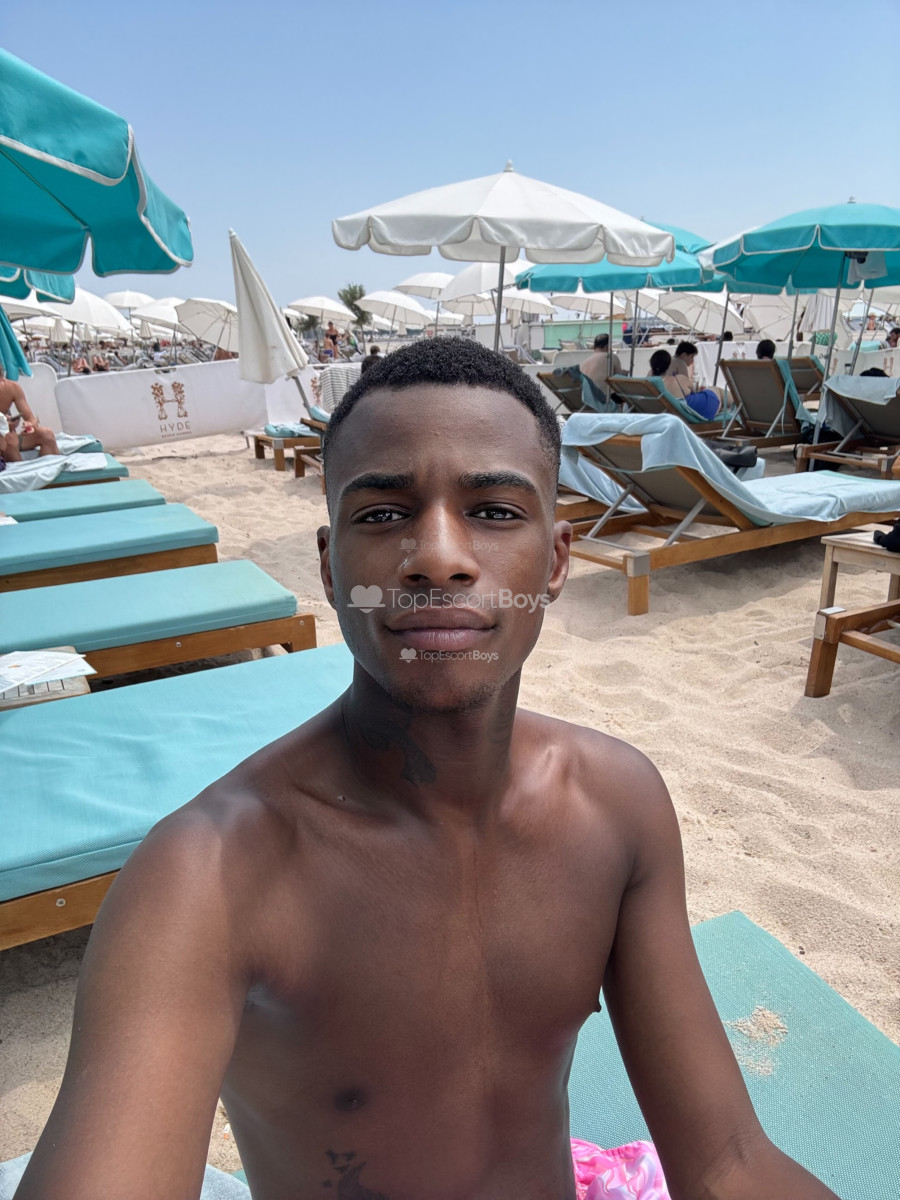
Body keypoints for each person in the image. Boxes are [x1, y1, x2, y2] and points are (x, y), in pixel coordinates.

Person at [13, 339, 838, 1200]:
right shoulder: (210, 877)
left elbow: (726, 1162)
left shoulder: (616, 808)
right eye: (382, 515)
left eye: (494, 510)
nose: (438, 556)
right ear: (330, 566)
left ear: (556, 561)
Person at [0, 365, 58, 461]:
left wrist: (30, 426)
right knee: (10, 441)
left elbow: (31, 419)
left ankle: (51, 468)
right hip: (7, 439)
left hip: (10, 436)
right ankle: (20, 469)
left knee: (47, 434)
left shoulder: (12, 388)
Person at [652, 347, 723, 420]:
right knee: (717, 390)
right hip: (698, 411)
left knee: (717, 394)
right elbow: (695, 391)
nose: (692, 360)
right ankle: (731, 408)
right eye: (692, 357)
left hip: (673, 411)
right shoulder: (678, 378)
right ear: (669, 365)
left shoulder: (648, 382)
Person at [579, 333, 622, 407]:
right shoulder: (611, 357)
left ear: (594, 346)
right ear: (607, 346)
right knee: (628, 397)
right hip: (604, 398)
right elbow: (619, 380)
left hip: (586, 399)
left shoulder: (584, 362)